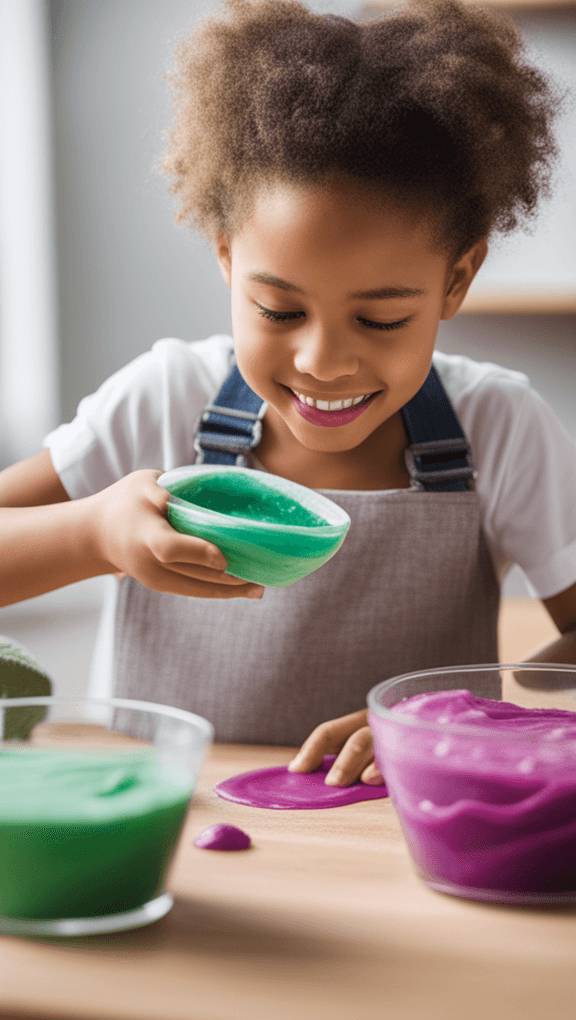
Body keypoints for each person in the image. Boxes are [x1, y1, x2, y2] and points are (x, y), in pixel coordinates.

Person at [1, 0, 575, 788]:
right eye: (280, 311)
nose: (324, 361)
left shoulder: (500, 428)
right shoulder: (163, 399)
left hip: (406, 844)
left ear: (457, 279)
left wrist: (462, 719)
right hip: (168, 831)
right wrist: (92, 535)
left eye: (380, 318)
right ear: (228, 260)